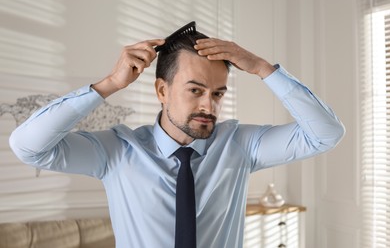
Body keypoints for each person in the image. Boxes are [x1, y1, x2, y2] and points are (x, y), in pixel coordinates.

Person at [9, 25, 345, 248]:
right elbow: (28, 146)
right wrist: (110, 83)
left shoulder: (240, 145)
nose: (208, 105)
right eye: (196, 90)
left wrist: (261, 68)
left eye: (217, 94)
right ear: (161, 90)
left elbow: (325, 134)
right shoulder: (115, 152)